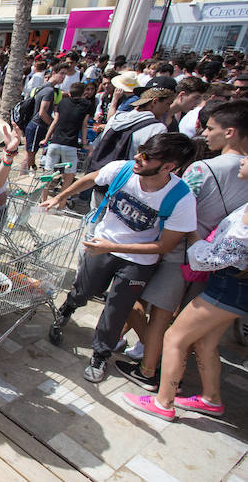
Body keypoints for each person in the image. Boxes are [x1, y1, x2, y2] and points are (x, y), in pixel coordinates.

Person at [42, 133, 198, 383]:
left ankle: (100, 355)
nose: (137, 157)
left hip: (138, 260)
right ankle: (69, 306)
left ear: (167, 167)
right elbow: (91, 179)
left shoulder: (181, 198)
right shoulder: (122, 170)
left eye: (146, 156)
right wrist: (60, 197)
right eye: (140, 150)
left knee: (117, 309)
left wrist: (113, 246)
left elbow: (166, 245)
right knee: (84, 290)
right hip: (102, 245)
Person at [116, 100, 248, 390]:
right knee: (184, 318)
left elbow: (177, 205)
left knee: (154, 310)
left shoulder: (204, 168)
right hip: (219, 260)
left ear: (230, 132)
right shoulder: (243, 171)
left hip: (181, 252)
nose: (205, 133)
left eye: (211, 128)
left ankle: (150, 369)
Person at [123, 166, 248, 421]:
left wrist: (192, 236)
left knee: (175, 337)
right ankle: (211, 399)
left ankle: (163, 401)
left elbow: (216, 258)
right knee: (205, 343)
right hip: (231, 288)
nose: (242, 161)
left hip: (228, 287)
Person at [39, 82, 92, 199]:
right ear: (83, 93)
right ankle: (61, 204)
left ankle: (42, 202)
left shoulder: (63, 102)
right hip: (71, 145)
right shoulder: (87, 104)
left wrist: (46, 139)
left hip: (55, 143)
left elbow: (55, 121)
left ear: (70, 92)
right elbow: (84, 125)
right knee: (68, 178)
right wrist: (84, 143)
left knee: (47, 175)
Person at [22, 64, 69, 174]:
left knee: (29, 154)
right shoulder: (49, 91)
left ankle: (26, 177)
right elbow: (42, 113)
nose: (63, 77)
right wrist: (52, 125)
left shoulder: (48, 89)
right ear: (54, 73)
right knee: (29, 155)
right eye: (61, 73)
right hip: (37, 125)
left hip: (36, 125)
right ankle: (25, 178)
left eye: (65, 74)